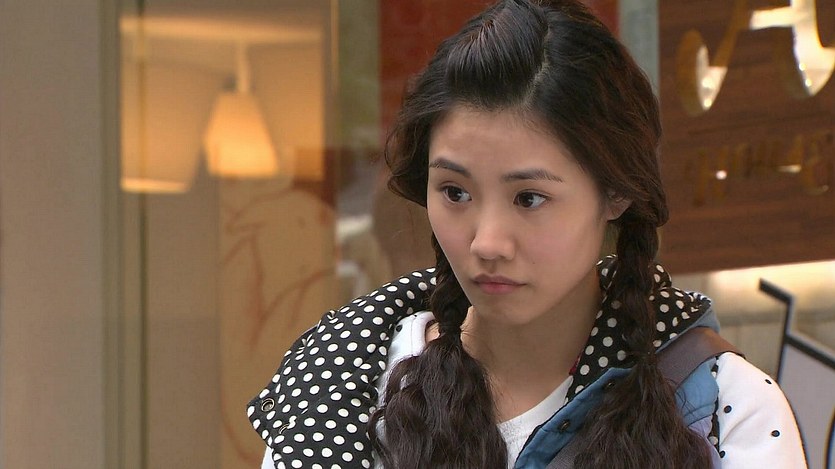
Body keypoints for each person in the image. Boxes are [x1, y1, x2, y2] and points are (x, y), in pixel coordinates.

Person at [247, 0, 806, 467]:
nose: (487, 242)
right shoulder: (343, 385)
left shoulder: (718, 406)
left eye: (529, 198)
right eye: (455, 192)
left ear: (616, 192)